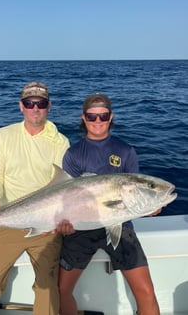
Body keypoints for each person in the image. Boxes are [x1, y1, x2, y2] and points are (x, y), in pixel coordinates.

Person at [57, 93, 161, 315]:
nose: (97, 121)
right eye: (91, 116)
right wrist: (64, 223)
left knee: (147, 293)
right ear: (83, 118)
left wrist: (149, 206)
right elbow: (67, 198)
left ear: (111, 117)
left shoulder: (126, 151)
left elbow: (134, 194)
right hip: (81, 228)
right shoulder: (73, 154)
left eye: (102, 116)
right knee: (60, 291)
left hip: (121, 225)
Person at [0, 82, 70, 315]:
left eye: (41, 103)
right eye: (29, 103)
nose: (35, 108)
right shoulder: (3, 136)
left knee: (47, 288)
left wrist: (54, 219)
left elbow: (60, 189)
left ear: (49, 107)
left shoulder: (61, 142)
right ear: (21, 107)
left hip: (46, 227)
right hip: (7, 221)